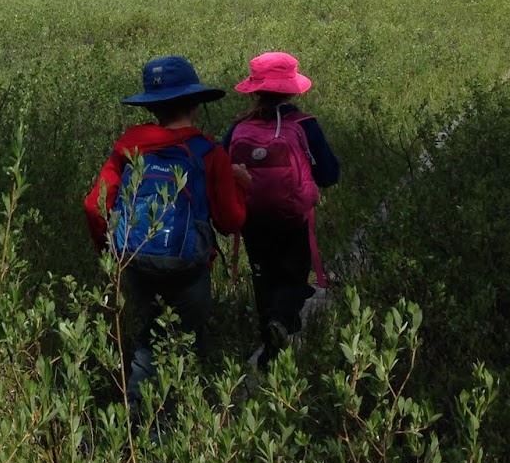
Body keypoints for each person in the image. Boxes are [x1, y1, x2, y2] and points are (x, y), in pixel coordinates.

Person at [84, 56, 250, 409]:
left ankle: (170, 412)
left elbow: (93, 205)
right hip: (189, 268)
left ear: (153, 106)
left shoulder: (129, 145)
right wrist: (241, 186)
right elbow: (230, 222)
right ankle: (151, 433)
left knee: (153, 335)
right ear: (195, 103)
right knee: (169, 344)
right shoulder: (209, 151)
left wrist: (110, 249)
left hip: (136, 259)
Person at [223, 51, 340, 369]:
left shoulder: (238, 128)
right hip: (292, 219)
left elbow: (220, 167)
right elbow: (329, 174)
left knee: (264, 279)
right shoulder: (305, 125)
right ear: (292, 88)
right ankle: (281, 323)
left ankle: (270, 345)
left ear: (255, 88)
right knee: (293, 278)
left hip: (251, 219)